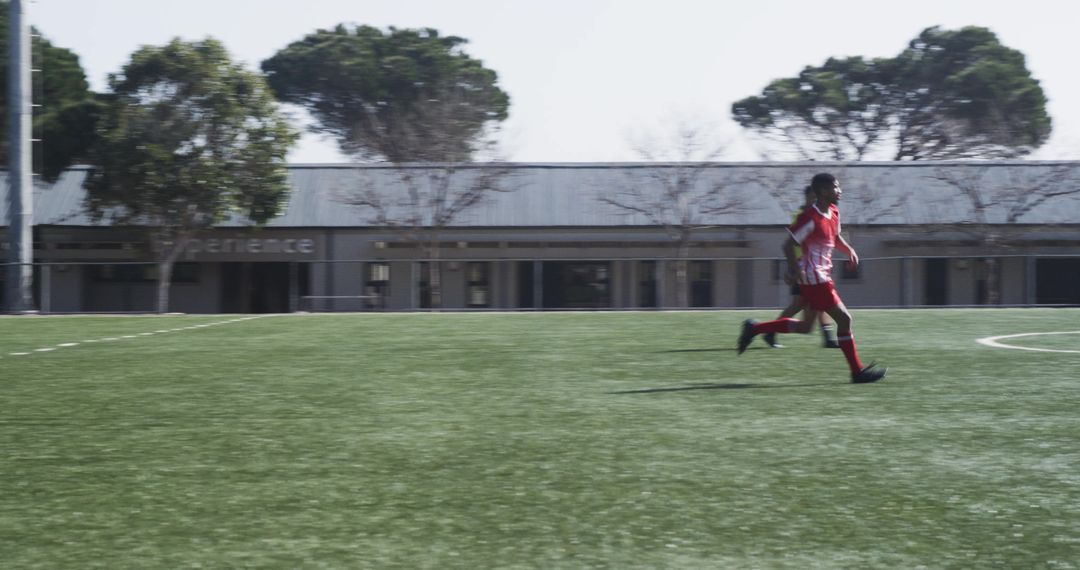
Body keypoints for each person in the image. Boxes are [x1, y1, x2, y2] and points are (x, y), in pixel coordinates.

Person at [737, 173, 886, 384]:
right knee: (845, 319)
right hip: (815, 278)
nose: (840, 191)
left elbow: (834, 238)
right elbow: (788, 245)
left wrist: (849, 250)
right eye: (836, 187)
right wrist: (793, 269)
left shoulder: (833, 212)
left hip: (821, 276)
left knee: (806, 327)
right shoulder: (810, 218)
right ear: (824, 191)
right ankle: (857, 372)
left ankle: (755, 328)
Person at [762, 185, 840, 349]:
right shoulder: (803, 216)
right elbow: (792, 244)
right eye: (813, 197)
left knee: (819, 303)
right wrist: (794, 268)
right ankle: (770, 330)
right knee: (798, 304)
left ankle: (827, 337)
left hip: (814, 269)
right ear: (807, 198)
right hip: (803, 268)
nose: (816, 200)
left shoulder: (820, 215)